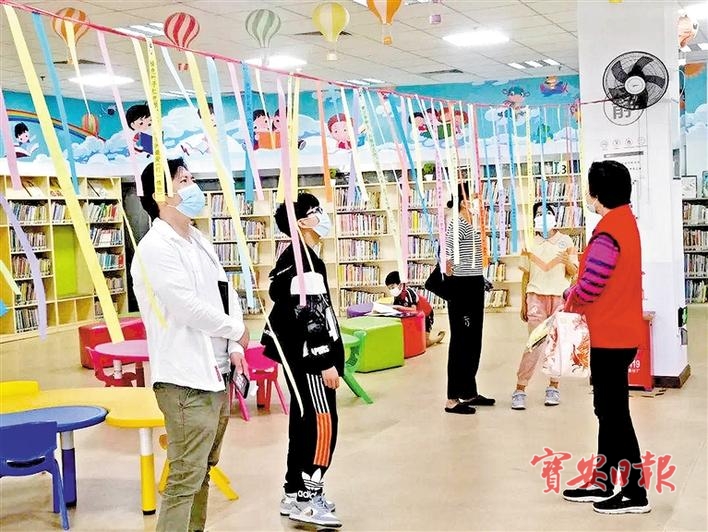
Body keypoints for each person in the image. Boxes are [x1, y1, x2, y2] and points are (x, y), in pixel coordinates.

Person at [131, 158, 250, 532]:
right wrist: (235, 329)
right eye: (184, 180)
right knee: (184, 477)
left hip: (217, 374)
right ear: (161, 194)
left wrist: (235, 345)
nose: (194, 186)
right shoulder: (155, 247)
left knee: (203, 471)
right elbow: (185, 306)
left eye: (191, 177)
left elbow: (225, 293)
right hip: (184, 379)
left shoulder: (199, 240)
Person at [561, 160, 650, 515]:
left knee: (614, 414)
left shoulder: (608, 231)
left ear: (596, 194)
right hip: (620, 331)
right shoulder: (625, 221)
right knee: (607, 409)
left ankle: (634, 492)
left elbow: (591, 286)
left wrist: (570, 295)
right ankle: (602, 480)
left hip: (610, 336)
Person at [261, 193, 344, 528]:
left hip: (298, 355)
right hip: (311, 359)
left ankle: (294, 490)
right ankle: (309, 499)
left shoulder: (295, 258)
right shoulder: (304, 262)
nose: (323, 216)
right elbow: (310, 316)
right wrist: (325, 361)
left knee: (303, 420)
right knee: (322, 423)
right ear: (301, 223)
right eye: (316, 211)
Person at [511, 202, 578, 410]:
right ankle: (520, 388)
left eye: (547, 212)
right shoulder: (530, 242)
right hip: (535, 297)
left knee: (557, 343)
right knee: (535, 343)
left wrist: (567, 261)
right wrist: (523, 302)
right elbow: (526, 275)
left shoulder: (566, 241)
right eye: (539, 213)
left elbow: (573, 272)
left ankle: (553, 387)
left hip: (559, 298)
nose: (544, 216)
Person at [443, 183, 495, 414]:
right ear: (464, 202)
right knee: (461, 342)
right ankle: (452, 398)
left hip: (473, 284)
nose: (479, 203)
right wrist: (458, 283)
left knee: (473, 341)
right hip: (462, 289)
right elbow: (448, 259)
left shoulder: (468, 224)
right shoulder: (457, 224)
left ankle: (468, 391)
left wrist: (479, 279)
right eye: (475, 198)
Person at [384, 270, 444, 347]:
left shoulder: (409, 292)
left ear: (400, 284)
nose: (391, 290)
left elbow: (413, 309)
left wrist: (398, 307)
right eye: (389, 288)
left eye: (393, 287)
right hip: (415, 316)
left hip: (426, 315)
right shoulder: (397, 297)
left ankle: (439, 338)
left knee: (425, 343)